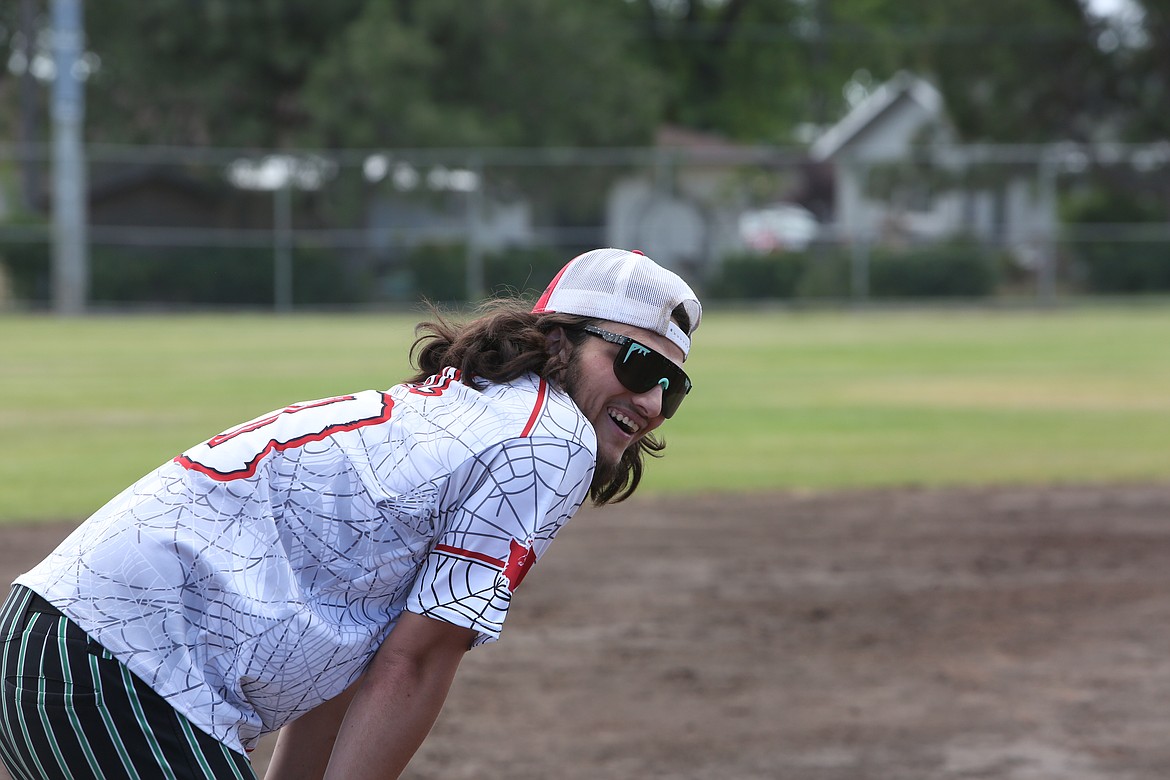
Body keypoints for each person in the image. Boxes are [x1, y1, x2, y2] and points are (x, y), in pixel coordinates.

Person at [0, 247, 702, 780]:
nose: (650, 402)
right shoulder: (550, 440)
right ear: (560, 339)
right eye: (637, 366)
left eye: (672, 388)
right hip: (120, 670)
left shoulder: (474, 408)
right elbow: (416, 663)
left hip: (69, 649)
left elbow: (349, 658)